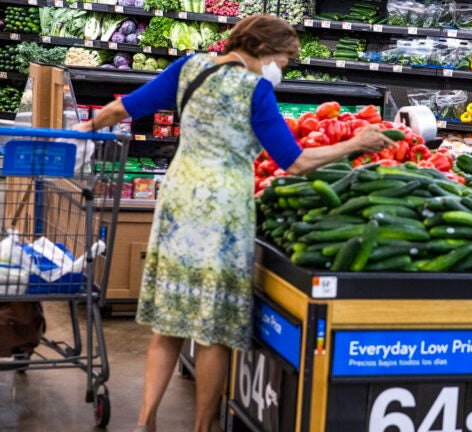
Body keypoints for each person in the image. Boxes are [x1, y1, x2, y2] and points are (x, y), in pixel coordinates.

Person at [74, 15, 395, 432]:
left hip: (177, 201)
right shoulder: (255, 90)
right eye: (285, 57)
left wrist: (86, 126)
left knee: (168, 322)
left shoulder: (189, 67)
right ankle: (203, 428)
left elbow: (125, 107)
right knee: (213, 328)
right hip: (223, 211)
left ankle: (145, 421)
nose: (284, 66)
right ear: (264, 49)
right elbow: (295, 161)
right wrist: (356, 143)